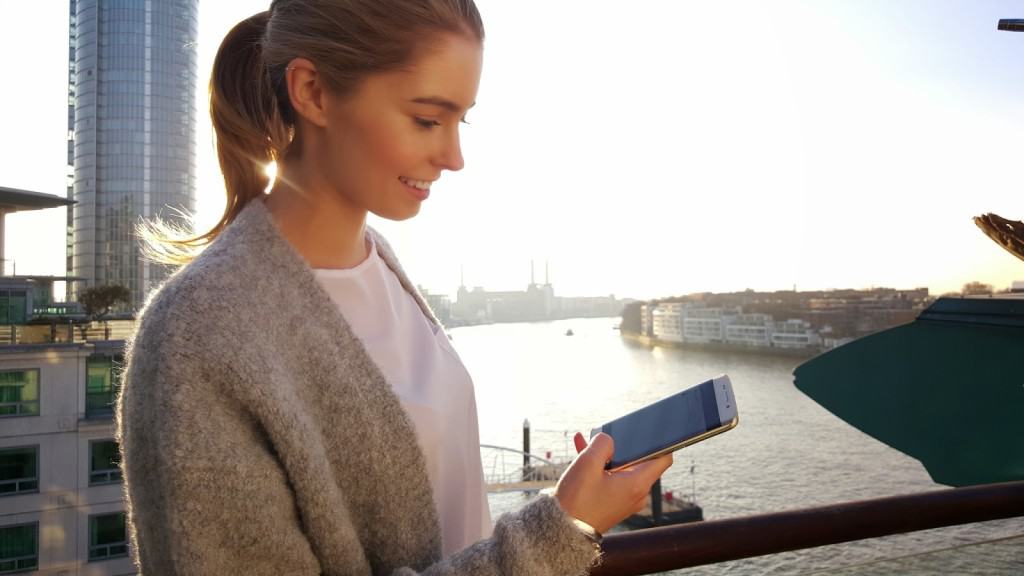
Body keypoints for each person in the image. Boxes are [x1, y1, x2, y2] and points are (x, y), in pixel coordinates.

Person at [116, 1, 673, 574]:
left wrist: (566, 508)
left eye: (461, 121)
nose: (454, 157)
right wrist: (560, 531)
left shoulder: (378, 260)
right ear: (313, 92)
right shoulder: (200, 335)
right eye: (428, 120)